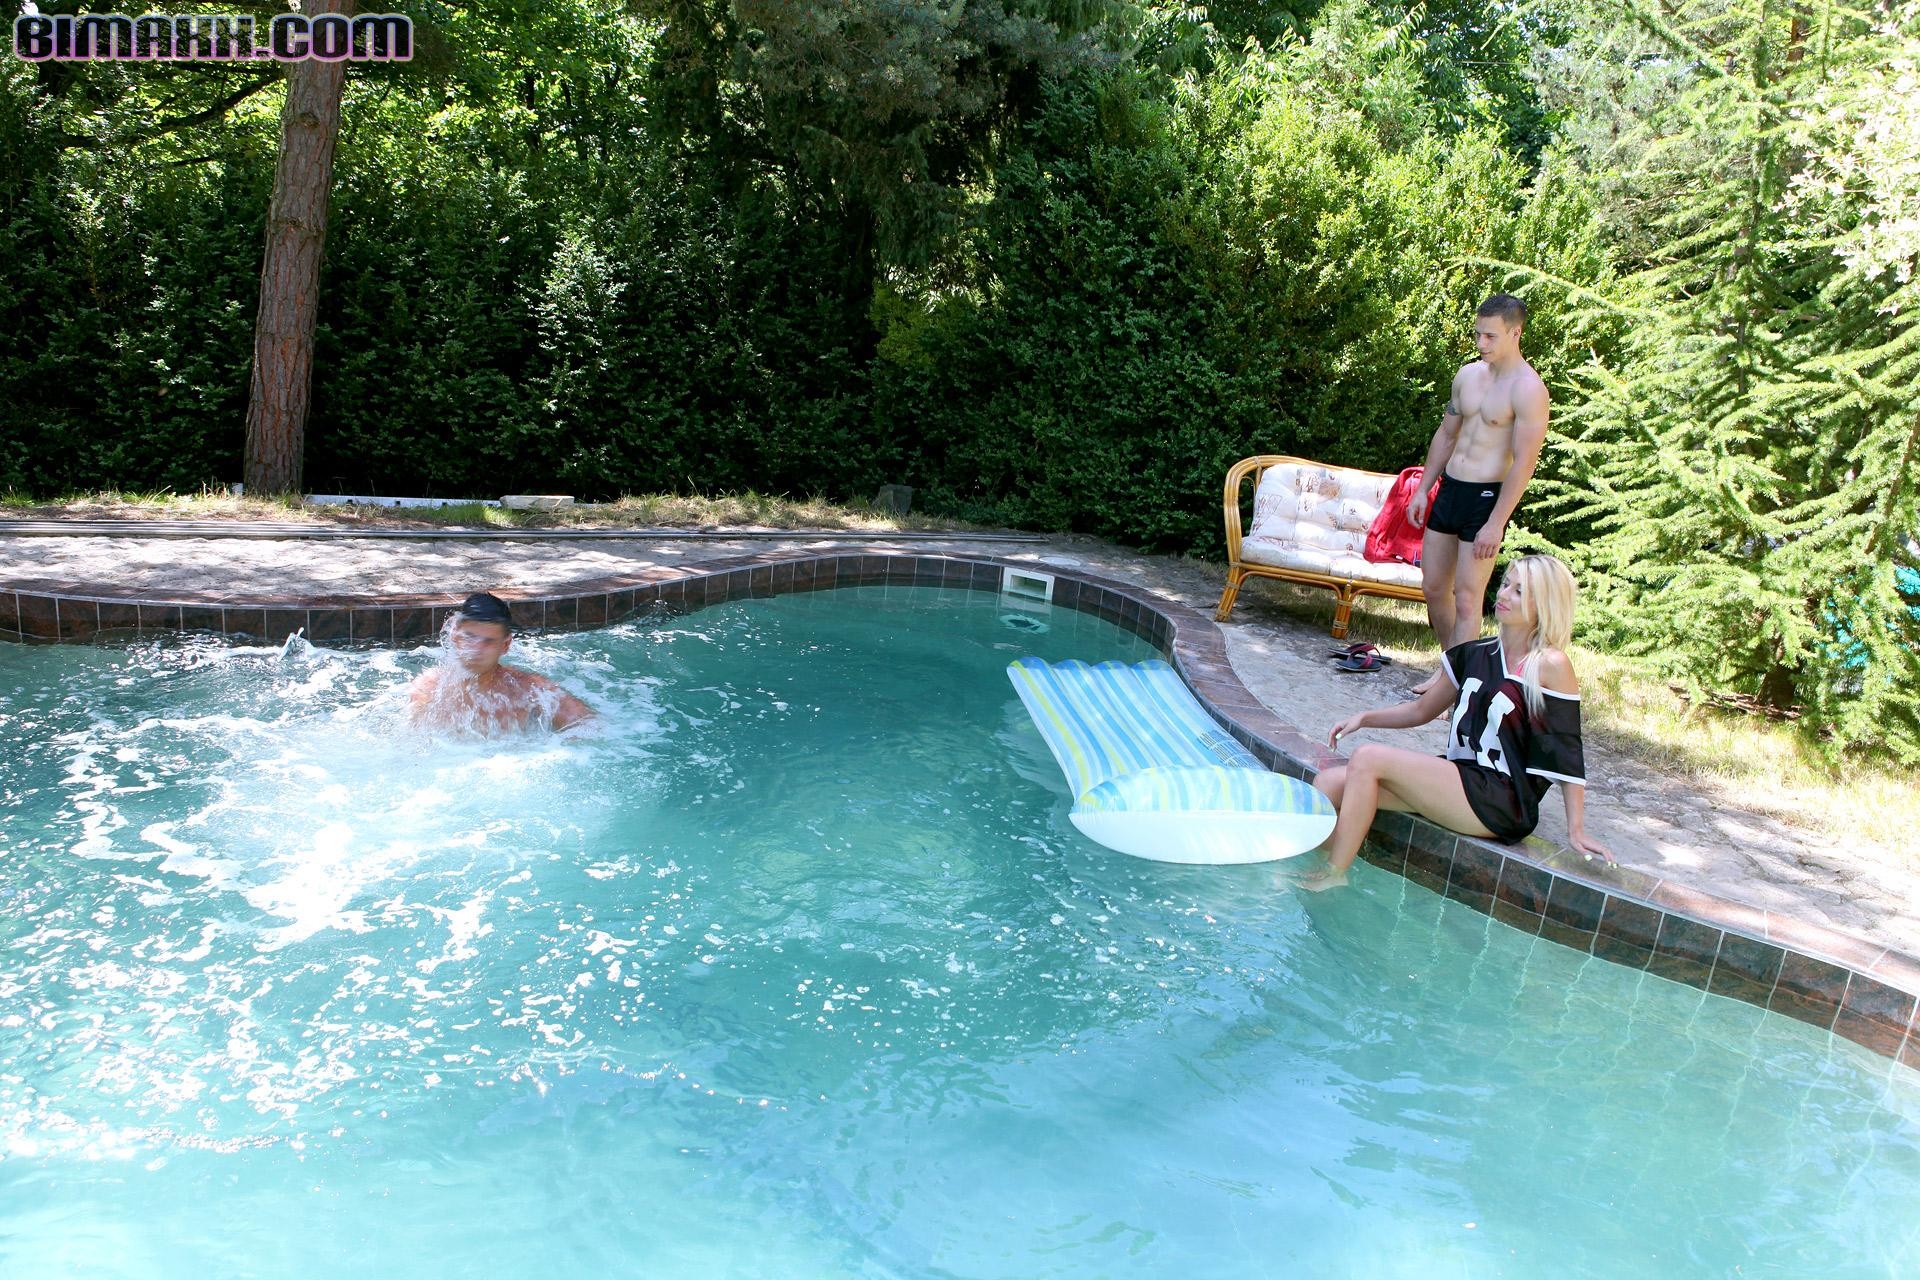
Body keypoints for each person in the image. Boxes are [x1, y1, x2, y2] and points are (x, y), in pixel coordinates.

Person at [1298, 554, 1610, 891]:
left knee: (1368, 758)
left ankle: (1335, 874)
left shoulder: (1550, 664)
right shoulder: (1475, 653)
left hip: (1501, 799)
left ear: (1545, 605)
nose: (1503, 595)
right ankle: (1319, 869)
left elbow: (1565, 748)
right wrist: (1365, 718)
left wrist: (1575, 827)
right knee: (1328, 783)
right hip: (1459, 777)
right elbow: (1422, 711)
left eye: (1520, 592)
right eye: (1506, 584)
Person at [1407, 294, 1549, 693]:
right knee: (1434, 587)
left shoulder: (1528, 389)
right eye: (1477, 334)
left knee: (1468, 598)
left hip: (1486, 498)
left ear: (1515, 333)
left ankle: (1454, 687)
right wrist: (1423, 488)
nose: (1481, 343)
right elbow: (1447, 434)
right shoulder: (1468, 375)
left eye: (1490, 336)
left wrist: (1496, 524)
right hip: (1451, 489)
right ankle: (1453, 669)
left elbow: (1524, 462)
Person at [408, 592, 595, 734]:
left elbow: (589, 725)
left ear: (505, 645)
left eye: (488, 641)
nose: (477, 649)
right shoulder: (428, 689)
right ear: (455, 635)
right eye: (470, 637)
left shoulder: (528, 691)